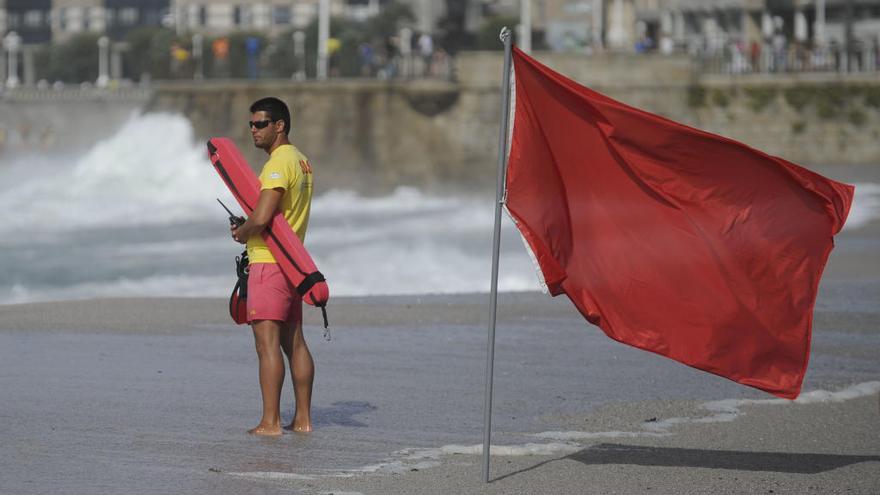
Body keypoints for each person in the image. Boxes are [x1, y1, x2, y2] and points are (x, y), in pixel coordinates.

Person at [231, 97, 315, 436]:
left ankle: (270, 422)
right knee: (294, 342)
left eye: (261, 124)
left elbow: (264, 217)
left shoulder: (278, 163)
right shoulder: (302, 160)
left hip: (269, 263)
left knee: (266, 344)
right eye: (251, 124)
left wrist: (242, 232)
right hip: (294, 264)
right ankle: (303, 420)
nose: (253, 130)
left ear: (279, 125)